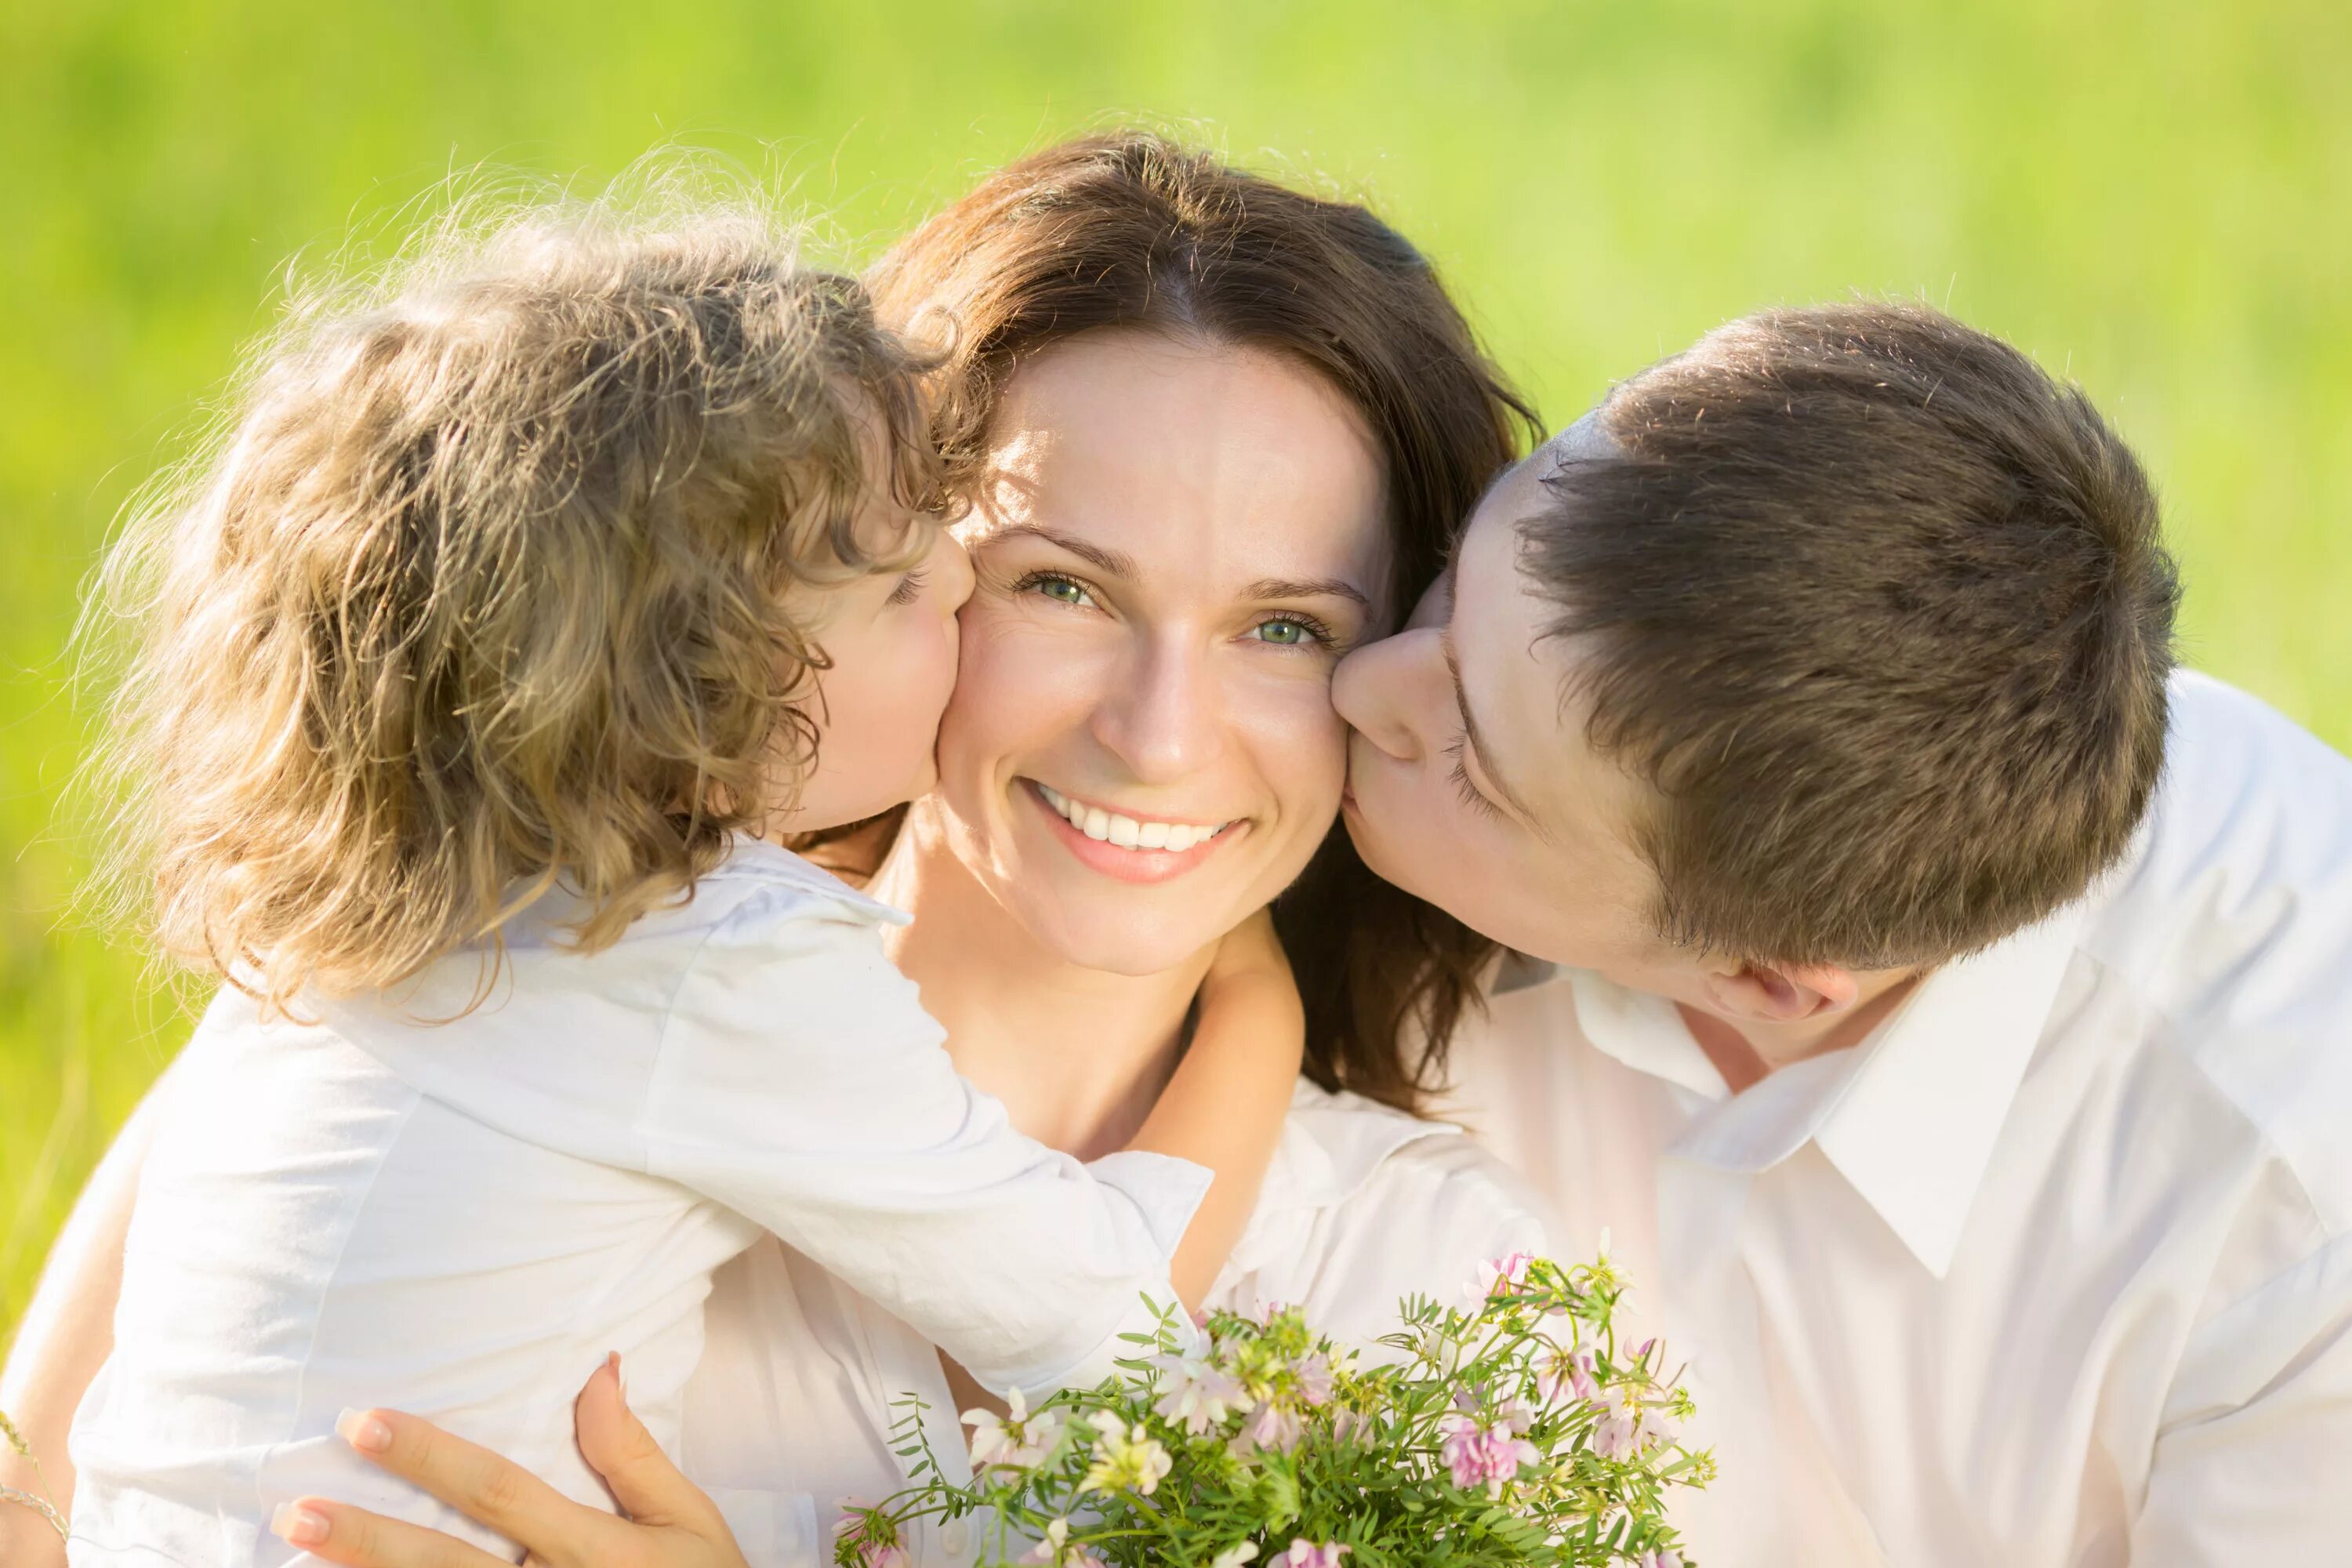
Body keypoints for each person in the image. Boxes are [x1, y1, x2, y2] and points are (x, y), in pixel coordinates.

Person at [0, 134, 1553, 1568]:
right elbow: (38, 1492)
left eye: (1285, 627)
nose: (1158, 734)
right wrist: (1258, 1008)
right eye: (1055, 585)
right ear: (728, 614)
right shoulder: (558, 964)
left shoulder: (1433, 1285)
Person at [1334, 303, 2352, 1563]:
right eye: (1449, 568)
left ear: (1766, 978)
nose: (1357, 681)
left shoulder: (2297, 1217)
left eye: (1474, 763)